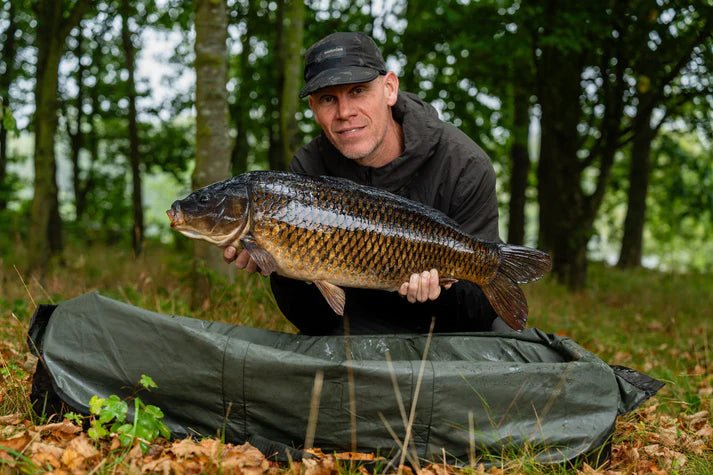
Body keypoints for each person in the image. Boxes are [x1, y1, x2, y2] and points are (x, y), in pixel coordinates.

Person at [224, 31, 508, 335]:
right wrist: (280, 267)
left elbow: (478, 313)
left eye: (358, 91)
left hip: (445, 329)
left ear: (390, 89)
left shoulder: (464, 165)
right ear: (313, 108)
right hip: (352, 327)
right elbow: (311, 321)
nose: (345, 113)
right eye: (328, 99)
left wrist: (440, 293)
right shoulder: (307, 169)